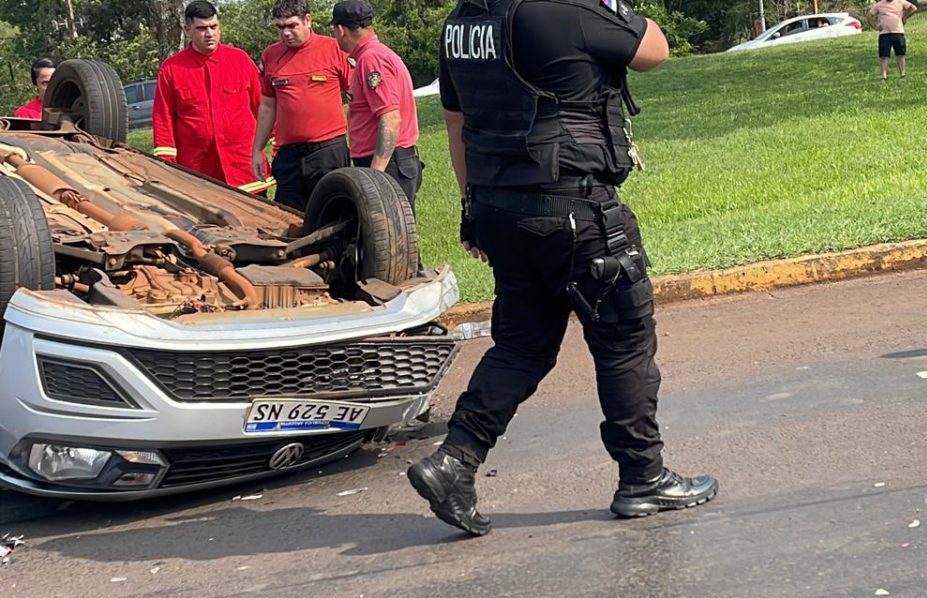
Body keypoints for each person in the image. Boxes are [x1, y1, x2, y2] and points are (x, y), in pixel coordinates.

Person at [405, 0, 718, 536]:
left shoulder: (462, 22)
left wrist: (471, 209)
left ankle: (454, 461)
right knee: (624, 342)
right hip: (575, 210)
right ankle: (643, 477)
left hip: (502, 210)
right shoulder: (563, 12)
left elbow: (455, 121)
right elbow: (655, 49)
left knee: (522, 348)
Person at [152, 1, 272, 194]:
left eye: (214, 27)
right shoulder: (171, 69)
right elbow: (163, 120)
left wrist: (278, 145)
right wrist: (168, 166)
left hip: (244, 168)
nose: (209, 34)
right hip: (199, 172)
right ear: (187, 30)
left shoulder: (240, 60)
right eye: (201, 28)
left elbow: (263, 107)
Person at [252, 0, 352, 211]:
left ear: (308, 20)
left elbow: (356, 95)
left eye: (291, 25)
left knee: (334, 213)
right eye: (280, 27)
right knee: (289, 218)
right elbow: (268, 106)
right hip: (288, 155)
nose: (286, 33)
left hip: (328, 149)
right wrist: (257, 150)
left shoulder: (334, 48)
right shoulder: (271, 55)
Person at [330, 0, 423, 212]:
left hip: (387, 164)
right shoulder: (378, 54)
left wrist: (376, 176)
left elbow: (390, 117)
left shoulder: (371, 59)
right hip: (393, 162)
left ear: (341, 30)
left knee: (388, 241)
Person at [868, 0, 917, 80]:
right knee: (884, 55)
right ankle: (884, 76)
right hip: (884, 34)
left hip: (898, 32)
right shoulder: (880, 4)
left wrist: (904, 17)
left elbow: (913, 8)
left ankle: (902, 74)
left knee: (900, 54)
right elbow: (869, 15)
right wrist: (874, 26)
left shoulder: (900, 1)